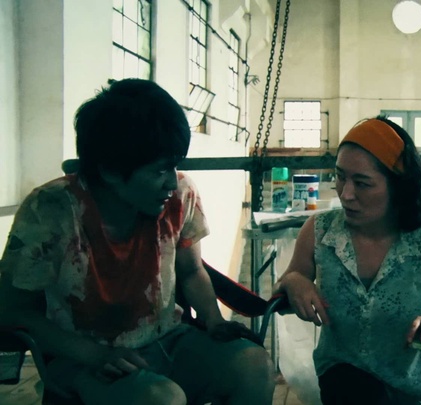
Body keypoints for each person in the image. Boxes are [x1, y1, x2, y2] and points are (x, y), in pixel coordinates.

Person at [0, 79, 275, 405]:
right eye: (159, 171)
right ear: (111, 171)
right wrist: (94, 355)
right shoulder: (50, 210)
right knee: (161, 398)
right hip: (81, 356)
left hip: (168, 339)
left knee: (255, 365)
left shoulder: (180, 195)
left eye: (174, 166)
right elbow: (13, 310)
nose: (172, 182)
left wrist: (213, 320)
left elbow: (191, 271)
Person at [273, 116, 421, 404]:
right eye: (340, 177)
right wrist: (293, 280)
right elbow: (281, 293)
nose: (346, 194)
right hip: (344, 386)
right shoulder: (320, 232)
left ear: (398, 186)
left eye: (362, 183)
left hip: (416, 396)